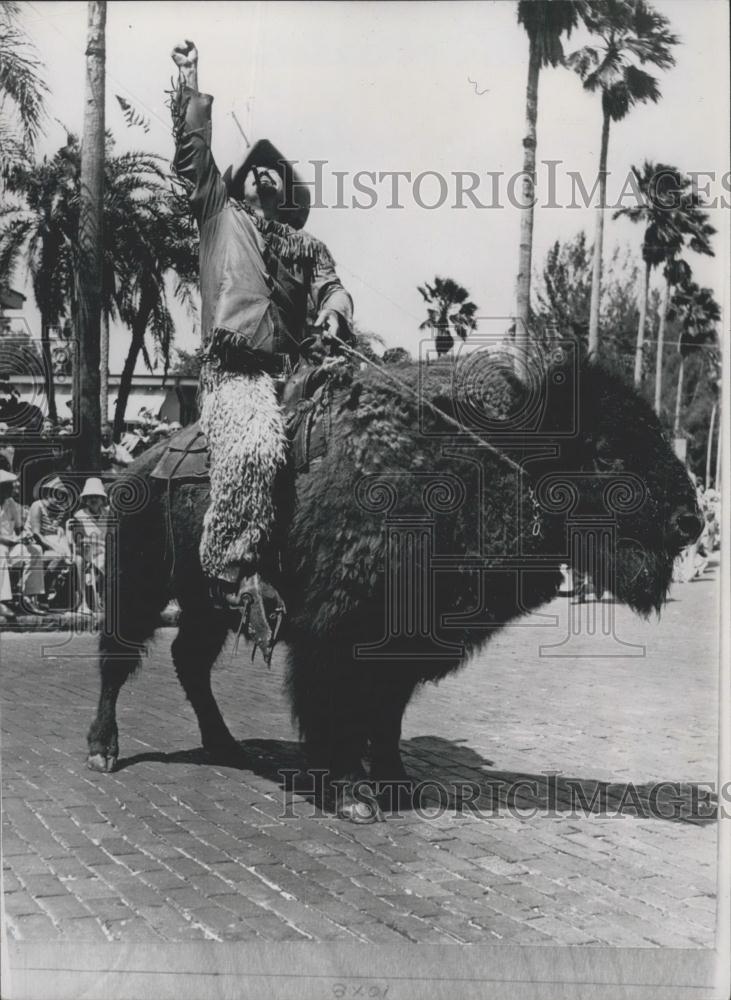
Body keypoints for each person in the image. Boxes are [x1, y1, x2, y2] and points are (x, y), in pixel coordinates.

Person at [169, 40, 353, 643]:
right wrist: (190, 82)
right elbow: (193, 156)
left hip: (298, 371)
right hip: (236, 371)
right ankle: (233, 570)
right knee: (254, 447)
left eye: (276, 169)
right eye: (256, 167)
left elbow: (333, 290)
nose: (266, 171)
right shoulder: (218, 215)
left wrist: (334, 315)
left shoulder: (309, 248)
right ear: (239, 183)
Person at [25, 475, 81, 609]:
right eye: (56, 494)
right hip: (36, 544)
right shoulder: (37, 506)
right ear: (48, 494)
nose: (59, 498)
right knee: (59, 556)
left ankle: (55, 592)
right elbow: (36, 533)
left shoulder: (59, 508)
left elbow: (58, 527)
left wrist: (60, 529)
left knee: (68, 559)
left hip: (53, 542)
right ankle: (42, 593)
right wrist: (55, 546)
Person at [0, 469, 45, 616]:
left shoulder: (10, 503)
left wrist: (26, 536)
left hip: (10, 547)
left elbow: (19, 528)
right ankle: (2, 602)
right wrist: (15, 540)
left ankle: (29, 597)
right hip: (3, 547)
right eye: (8, 486)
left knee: (35, 550)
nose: (12, 489)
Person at [67, 477, 109, 605]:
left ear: (102, 499)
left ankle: (105, 598)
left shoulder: (108, 514)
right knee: (79, 561)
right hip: (86, 551)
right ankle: (83, 601)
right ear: (85, 499)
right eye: (90, 497)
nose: (94, 499)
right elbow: (77, 539)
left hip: (104, 551)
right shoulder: (79, 515)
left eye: (97, 496)